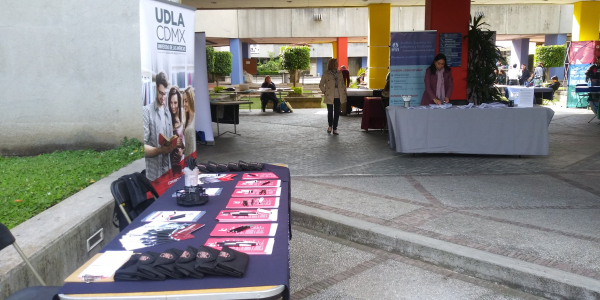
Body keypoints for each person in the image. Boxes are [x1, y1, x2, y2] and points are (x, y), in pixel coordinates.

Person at [143, 72, 179, 181]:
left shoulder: (168, 112)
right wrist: (159, 150)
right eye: (160, 93)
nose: (163, 97)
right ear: (156, 88)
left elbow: (169, 142)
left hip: (167, 172)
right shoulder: (147, 112)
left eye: (165, 94)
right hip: (154, 175)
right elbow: (142, 147)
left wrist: (174, 145)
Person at [319, 58, 347, 135]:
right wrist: (325, 91)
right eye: (336, 63)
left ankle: (335, 128)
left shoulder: (339, 73)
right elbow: (321, 84)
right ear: (332, 64)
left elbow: (342, 84)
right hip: (329, 95)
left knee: (337, 112)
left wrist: (344, 91)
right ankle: (330, 126)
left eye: (337, 63)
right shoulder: (326, 73)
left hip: (339, 95)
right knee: (330, 112)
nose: (337, 64)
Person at [168, 87, 185, 176]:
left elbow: (188, 140)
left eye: (175, 103)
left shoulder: (183, 114)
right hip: (172, 162)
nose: (173, 106)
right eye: (171, 103)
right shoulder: (167, 118)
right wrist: (173, 144)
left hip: (184, 159)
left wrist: (183, 150)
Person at [182, 86, 196, 158]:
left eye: (186, 101)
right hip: (186, 161)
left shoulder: (196, 118)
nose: (184, 104)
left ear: (191, 100)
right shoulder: (185, 119)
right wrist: (182, 150)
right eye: (183, 101)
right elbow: (188, 145)